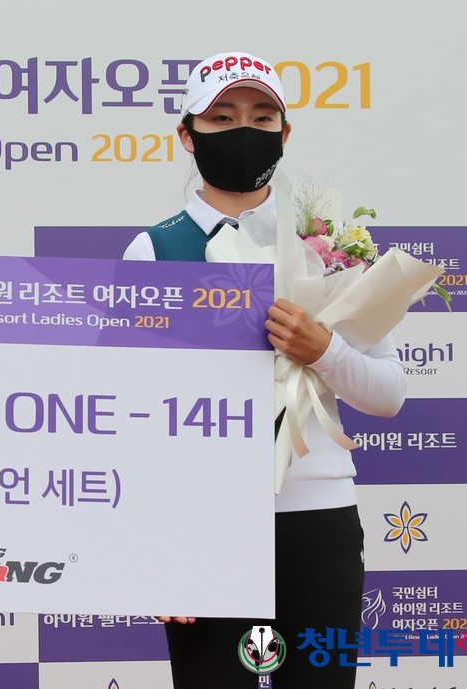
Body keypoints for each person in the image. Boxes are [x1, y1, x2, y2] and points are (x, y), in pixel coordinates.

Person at [124, 52, 406, 688]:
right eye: (222, 118)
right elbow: (131, 416)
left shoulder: (330, 248)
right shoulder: (153, 252)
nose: (242, 132)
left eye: (260, 117)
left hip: (320, 519)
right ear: (186, 135)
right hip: (204, 524)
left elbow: (389, 394)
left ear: (285, 133)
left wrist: (323, 350)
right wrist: (155, 550)